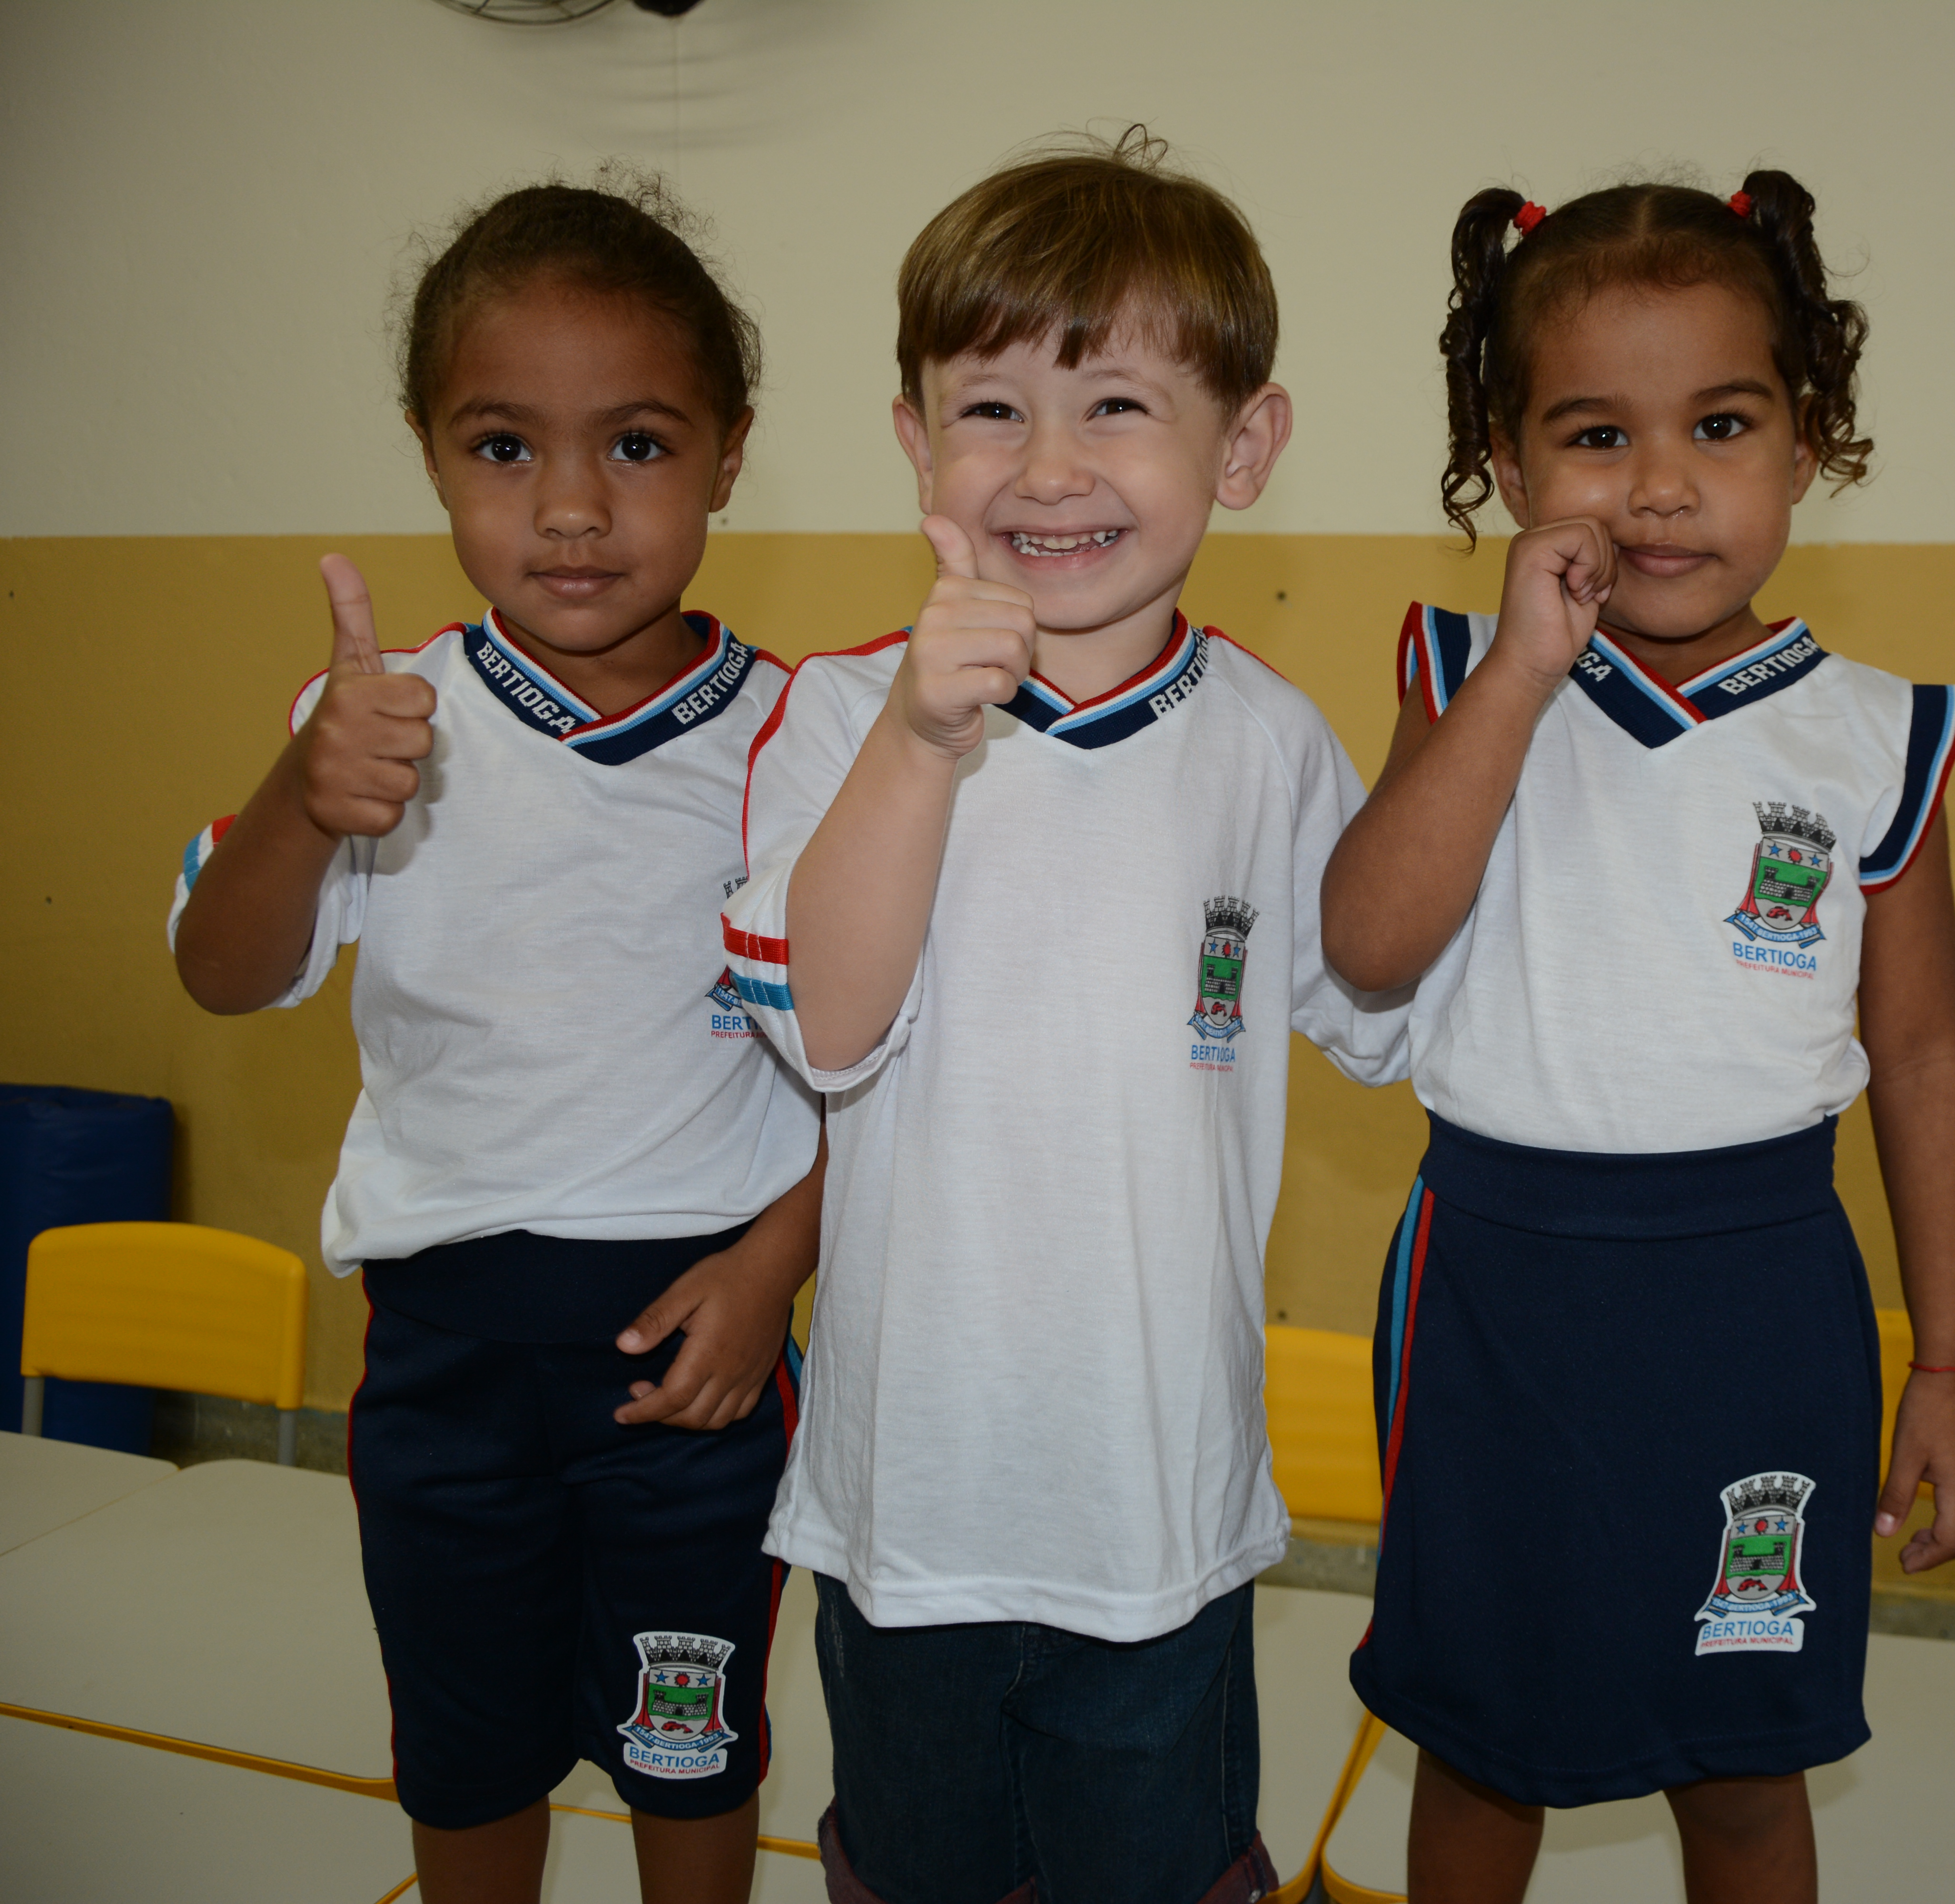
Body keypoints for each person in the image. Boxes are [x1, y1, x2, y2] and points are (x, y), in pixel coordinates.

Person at [714, 130, 1405, 1904]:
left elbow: (1386, 1001)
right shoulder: (835, 714)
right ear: (912, 441)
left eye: (1115, 405)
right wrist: (924, 748)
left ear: (1241, 447)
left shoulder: (1271, 744)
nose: (1049, 466)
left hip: (1159, 1507)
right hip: (906, 1506)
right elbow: (833, 1033)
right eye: (992, 406)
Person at [1322, 172, 1955, 1904]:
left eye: (1721, 422)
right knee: (1481, 1745)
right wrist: (1520, 679)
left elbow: (1923, 1060)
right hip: (1497, 1281)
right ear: (1510, 456)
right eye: (1597, 433)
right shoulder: (1467, 666)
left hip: (1758, 1293)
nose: (1663, 483)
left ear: (1810, 438)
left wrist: (1949, 1368)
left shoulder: (1877, 735)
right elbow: (1370, 945)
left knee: (1747, 1760)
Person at [168, 177, 823, 1904]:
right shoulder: (375, 724)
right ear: (429, 451)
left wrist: (775, 1266)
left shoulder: (806, 740)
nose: (575, 511)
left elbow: (888, 1064)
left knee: (698, 1759)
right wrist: (303, 804)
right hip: (446, 1361)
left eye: (638, 444)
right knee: (465, 1761)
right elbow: (225, 977)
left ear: (731, 453)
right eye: (505, 448)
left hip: (699, 1357)